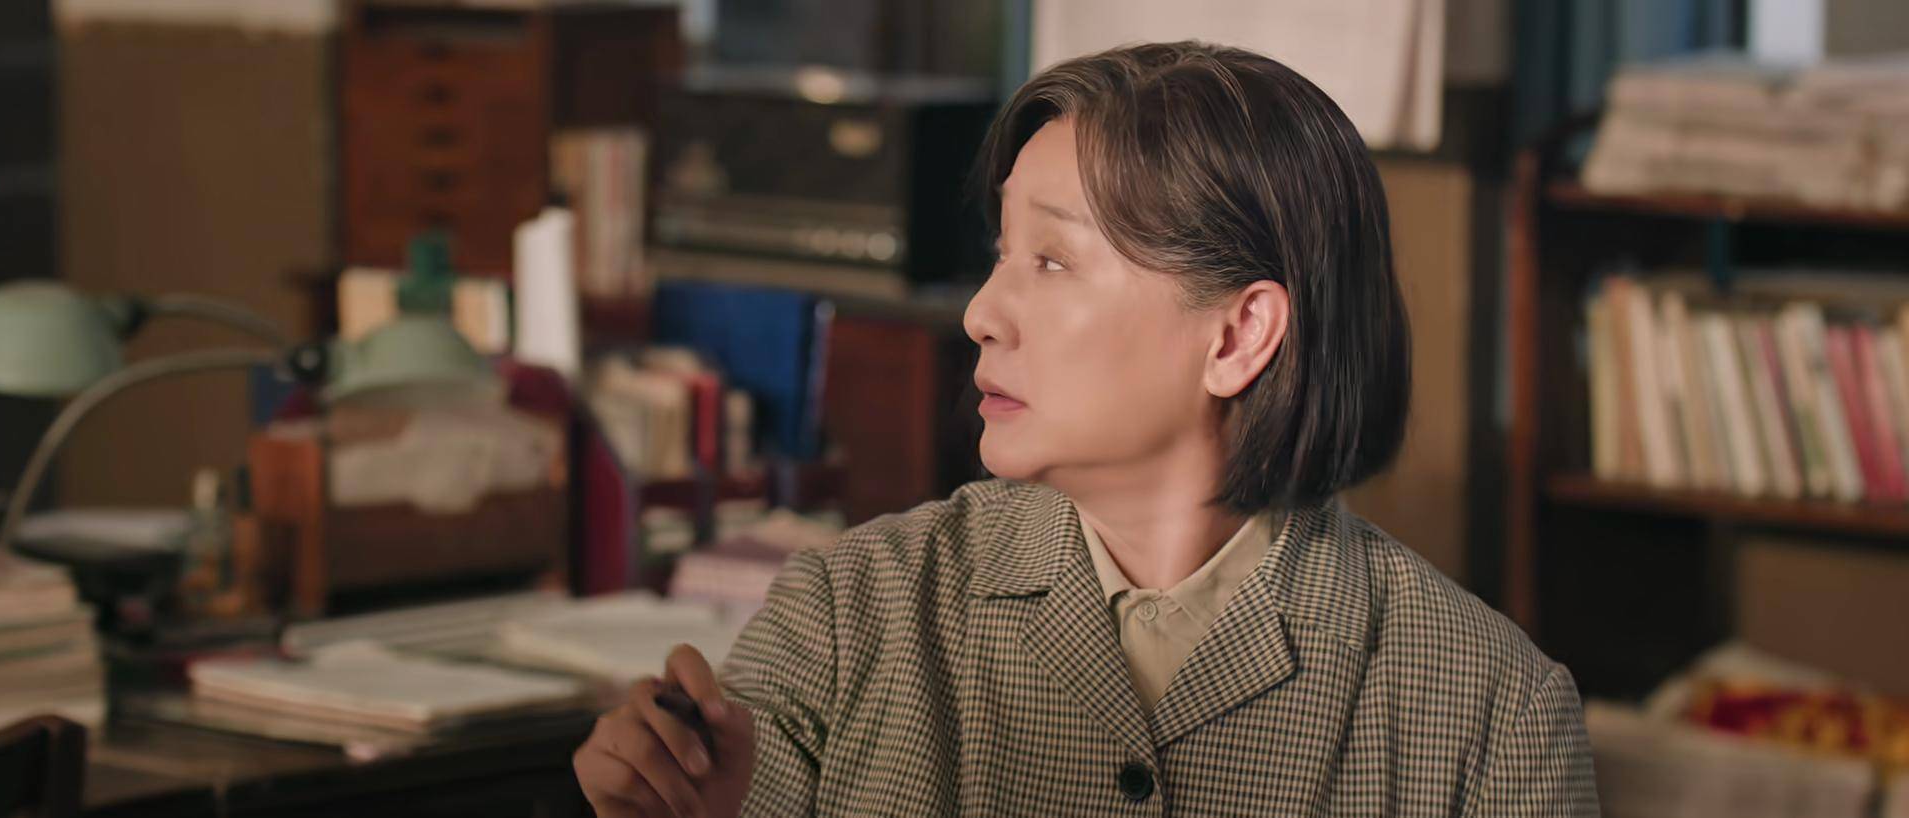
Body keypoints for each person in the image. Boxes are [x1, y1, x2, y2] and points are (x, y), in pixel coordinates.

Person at [574, 41, 1599, 816]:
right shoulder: (850, 617)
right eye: (1000, 254)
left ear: (1239, 335)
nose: (982, 312)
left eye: (1052, 261)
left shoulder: (1488, 715)